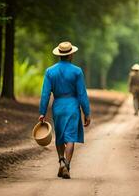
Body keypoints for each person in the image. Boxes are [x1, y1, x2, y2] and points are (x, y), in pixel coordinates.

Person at [38, 41, 91, 179]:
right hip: (73, 106)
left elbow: (45, 93)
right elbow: (82, 94)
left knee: (60, 136)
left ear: (59, 54)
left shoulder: (50, 71)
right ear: (71, 54)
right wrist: (87, 112)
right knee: (71, 136)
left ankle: (61, 161)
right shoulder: (77, 71)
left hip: (58, 107)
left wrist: (42, 112)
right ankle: (67, 165)